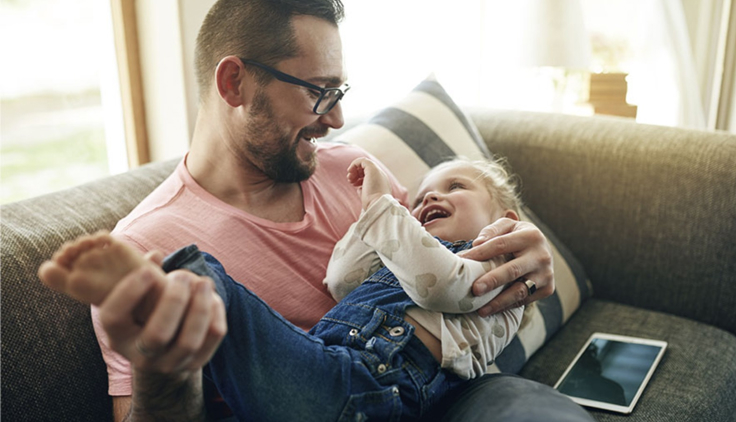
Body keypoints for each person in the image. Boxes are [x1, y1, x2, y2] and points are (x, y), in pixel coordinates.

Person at [60, 0, 592, 420]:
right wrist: (161, 370)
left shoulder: (354, 169)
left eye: (340, 92)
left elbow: (440, 261)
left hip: (451, 394)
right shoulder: (146, 248)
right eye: (319, 93)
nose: (336, 119)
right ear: (233, 83)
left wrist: (521, 257)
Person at [39, 156, 525, 420]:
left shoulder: (491, 264)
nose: (430, 197)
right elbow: (342, 279)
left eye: (456, 187)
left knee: (211, 285)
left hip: (374, 389)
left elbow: (440, 284)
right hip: (328, 372)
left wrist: (382, 204)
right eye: (420, 198)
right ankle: (160, 289)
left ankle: (157, 286)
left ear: (507, 221)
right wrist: (370, 219)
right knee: (206, 275)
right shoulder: (406, 246)